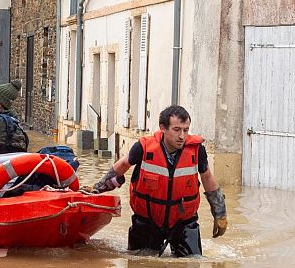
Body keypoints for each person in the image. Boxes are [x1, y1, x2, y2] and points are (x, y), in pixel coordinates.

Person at [90, 105, 228, 257]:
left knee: (192, 265)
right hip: (147, 222)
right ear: (163, 128)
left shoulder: (197, 150)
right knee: (139, 265)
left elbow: (207, 178)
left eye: (186, 130)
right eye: (177, 129)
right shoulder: (144, 147)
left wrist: (220, 213)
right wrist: (97, 189)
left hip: (183, 222)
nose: (182, 136)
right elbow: (122, 166)